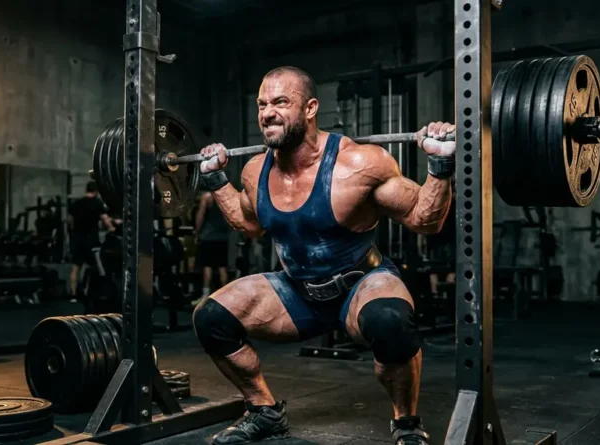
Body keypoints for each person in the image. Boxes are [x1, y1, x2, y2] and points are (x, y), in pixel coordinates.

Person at [192, 66, 454, 445]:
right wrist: (216, 180)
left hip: (360, 284)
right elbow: (249, 224)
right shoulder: (254, 171)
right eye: (262, 104)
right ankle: (264, 411)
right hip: (297, 291)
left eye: (281, 102)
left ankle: (407, 423)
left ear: (311, 108)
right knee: (211, 318)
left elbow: (424, 219)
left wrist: (440, 166)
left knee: (390, 322)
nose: (267, 113)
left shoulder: (359, 164)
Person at [67, 181, 116, 299]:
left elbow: (69, 220)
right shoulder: (97, 203)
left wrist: (74, 231)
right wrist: (112, 228)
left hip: (77, 239)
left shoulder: (76, 203)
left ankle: (73, 295)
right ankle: (94, 292)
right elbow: (105, 219)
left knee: (76, 267)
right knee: (98, 267)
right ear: (96, 191)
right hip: (91, 240)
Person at [194, 188, 232, 302]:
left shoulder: (207, 196)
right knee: (222, 267)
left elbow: (200, 216)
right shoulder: (226, 196)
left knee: (208, 266)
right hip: (223, 237)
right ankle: (225, 297)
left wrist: (197, 232)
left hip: (208, 236)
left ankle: (205, 295)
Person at [426, 177, 457, 295]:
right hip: (447, 241)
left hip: (435, 241)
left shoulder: (434, 202)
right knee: (451, 267)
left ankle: (436, 294)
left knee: (434, 268)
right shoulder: (453, 205)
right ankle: (446, 294)